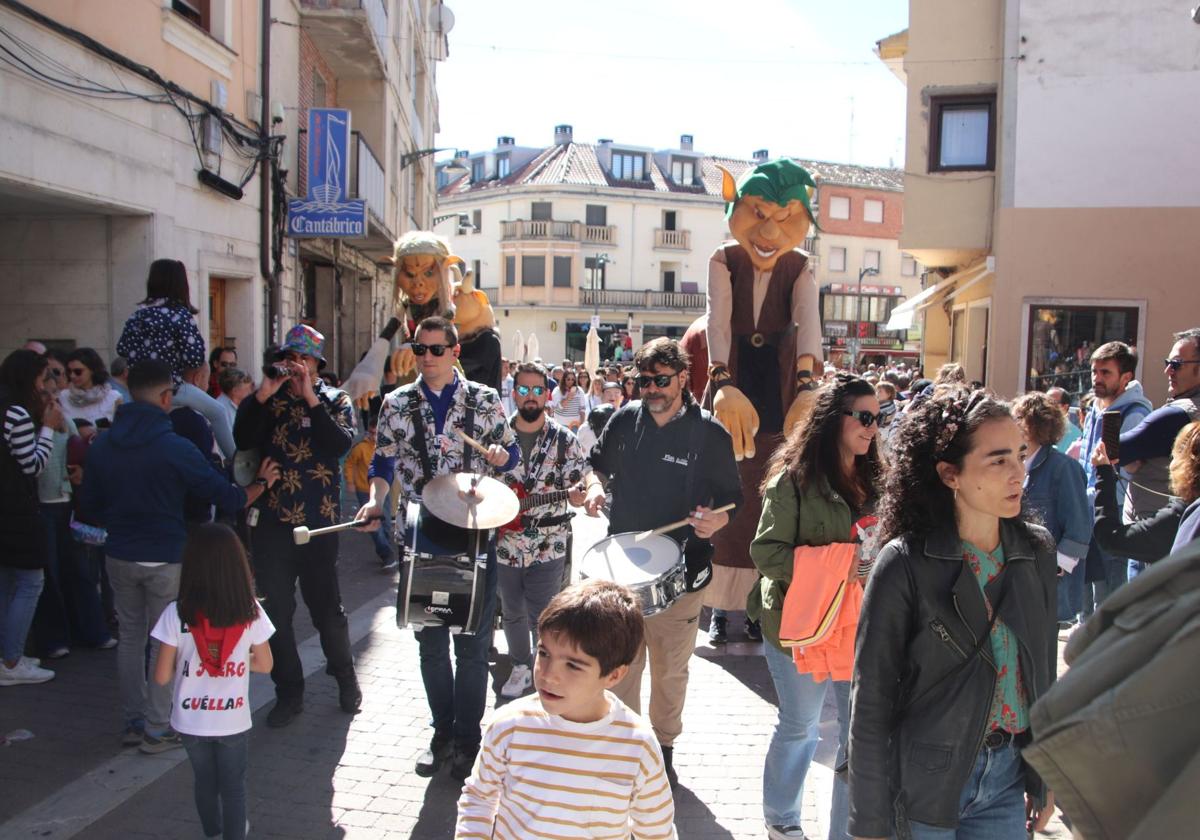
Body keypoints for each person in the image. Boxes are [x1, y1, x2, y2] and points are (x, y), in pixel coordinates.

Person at [848, 389, 1057, 840]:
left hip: (1006, 779)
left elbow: (1042, 671)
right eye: (998, 461)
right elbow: (870, 701)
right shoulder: (904, 563)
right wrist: (867, 822)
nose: (1018, 473)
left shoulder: (1035, 550)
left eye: (1021, 455)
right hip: (925, 783)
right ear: (950, 474)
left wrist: (1044, 776)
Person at [78, 360, 276, 748]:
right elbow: (226, 496)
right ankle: (155, 726)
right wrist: (262, 484)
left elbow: (89, 506)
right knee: (162, 641)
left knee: (133, 639)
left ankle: (135, 722)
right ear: (166, 398)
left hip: (119, 552)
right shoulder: (174, 447)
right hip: (165, 555)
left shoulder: (104, 444)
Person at [358, 315, 519, 780]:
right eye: (419, 348)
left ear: (454, 352)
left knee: (471, 647)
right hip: (421, 532)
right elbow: (383, 463)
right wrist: (373, 504)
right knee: (431, 646)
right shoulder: (396, 403)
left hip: (473, 530)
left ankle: (469, 740)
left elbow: (511, 456)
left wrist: (498, 457)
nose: (426, 357)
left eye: (435, 349)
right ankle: (442, 732)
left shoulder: (485, 402)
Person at [583, 337, 742, 787]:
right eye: (644, 380)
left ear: (683, 379)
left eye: (661, 380)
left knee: (671, 669)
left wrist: (717, 519)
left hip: (684, 574)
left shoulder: (709, 433)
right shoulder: (625, 419)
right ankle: (626, 748)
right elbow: (597, 467)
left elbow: (734, 498)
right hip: (621, 576)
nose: (651, 389)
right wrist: (595, 487)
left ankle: (663, 747)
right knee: (622, 667)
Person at [748, 374, 882, 840]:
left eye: (877, 419)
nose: (872, 428)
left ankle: (845, 830)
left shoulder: (877, 478)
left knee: (855, 735)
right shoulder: (793, 477)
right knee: (801, 727)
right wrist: (838, 566)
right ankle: (782, 822)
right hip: (796, 624)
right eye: (864, 417)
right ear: (833, 420)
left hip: (857, 625)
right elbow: (766, 554)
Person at [455, 579, 676, 839]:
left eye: (572, 665)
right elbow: (479, 798)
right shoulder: (509, 725)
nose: (549, 675)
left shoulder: (638, 745)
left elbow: (656, 831)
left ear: (614, 676)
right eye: (544, 653)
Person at [232, 324, 361, 728]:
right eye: (290, 359)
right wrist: (264, 394)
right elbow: (242, 437)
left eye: (303, 360)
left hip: (319, 524)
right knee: (275, 614)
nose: (296, 366)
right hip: (272, 523)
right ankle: (288, 693)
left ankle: (345, 678)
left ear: (316, 364)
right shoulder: (268, 400)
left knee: (328, 612)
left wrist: (309, 398)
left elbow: (340, 445)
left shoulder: (334, 400)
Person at [151, 523, 274, 840]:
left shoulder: (176, 614)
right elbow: (265, 663)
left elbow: (162, 675)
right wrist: (235, 659)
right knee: (234, 787)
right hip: (232, 719)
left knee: (204, 782)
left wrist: (188, 661)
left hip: (190, 721)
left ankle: (212, 833)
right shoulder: (251, 611)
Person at [496, 362, 589, 699]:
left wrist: (580, 495)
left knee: (543, 613)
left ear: (547, 394)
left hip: (549, 544)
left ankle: (542, 669)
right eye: (524, 390)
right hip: (505, 542)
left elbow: (581, 481)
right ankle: (520, 665)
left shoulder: (564, 440)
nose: (531, 397)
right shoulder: (498, 438)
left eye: (538, 390)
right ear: (513, 392)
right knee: (511, 610)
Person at [117, 259, 235, 459]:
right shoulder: (179, 315)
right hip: (173, 389)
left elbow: (122, 348)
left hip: (138, 391)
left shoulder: (137, 315)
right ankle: (238, 463)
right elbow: (195, 356)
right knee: (218, 412)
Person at [1111, 328, 1200, 574]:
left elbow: (1109, 451)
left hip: (1156, 542)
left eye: (1177, 364)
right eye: (1167, 363)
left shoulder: (1177, 414)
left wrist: (1112, 402)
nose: (1167, 371)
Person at [0, 350, 64, 686]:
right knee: (29, 582)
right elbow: (32, 464)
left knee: (8, 584)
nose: (45, 387)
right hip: (17, 511)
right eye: (42, 379)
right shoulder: (17, 413)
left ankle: (8, 656)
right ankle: (11, 662)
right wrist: (49, 430)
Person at [1076, 341, 1152, 607]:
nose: (1097, 378)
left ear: (1126, 377)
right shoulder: (1098, 408)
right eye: (1094, 372)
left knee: (1110, 596)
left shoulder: (1133, 415)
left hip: (1114, 513)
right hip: (1092, 508)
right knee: (1090, 595)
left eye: (1105, 372)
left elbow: (1126, 475)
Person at [1012, 392, 1091, 628]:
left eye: (1018, 418)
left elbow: (1078, 528)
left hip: (1046, 585)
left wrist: (1053, 568)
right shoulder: (1015, 464)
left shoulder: (1064, 468)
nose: (1012, 424)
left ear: (1036, 424)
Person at [1092, 420, 1200, 560]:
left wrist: (1104, 473)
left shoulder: (1179, 517)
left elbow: (1110, 537)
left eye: (1173, 456)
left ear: (1183, 465)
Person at [343, 418, 394, 569]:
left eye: (376, 433)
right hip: (364, 491)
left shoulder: (388, 447)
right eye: (371, 433)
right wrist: (350, 482)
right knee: (373, 524)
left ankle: (386, 543)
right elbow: (349, 463)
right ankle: (386, 553)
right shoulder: (361, 448)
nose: (374, 436)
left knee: (385, 522)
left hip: (384, 490)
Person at [59, 347, 122, 425]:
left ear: (92, 370)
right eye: (69, 371)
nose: (72, 376)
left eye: (78, 372)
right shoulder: (63, 396)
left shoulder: (113, 397)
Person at [214, 368, 252, 433]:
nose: (250, 392)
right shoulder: (221, 409)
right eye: (247, 389)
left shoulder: (242, 406)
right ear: (234, 391)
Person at [548, 368, 586, 432]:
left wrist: (581, 424)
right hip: (560, 424)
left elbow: (582, 409)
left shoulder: (579, 391)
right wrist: (568, 397)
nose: (570, 381)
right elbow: (558, 407)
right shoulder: (557, 390)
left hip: (575, 425)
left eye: (572, 379)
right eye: (568, 379)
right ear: (564, 379)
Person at [1047, 387, 1081, 454]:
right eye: (1043, 402)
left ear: (1065, 407)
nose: (1046, 406)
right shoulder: (1037, 429)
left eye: (1051, 402)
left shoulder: (1075, 435)